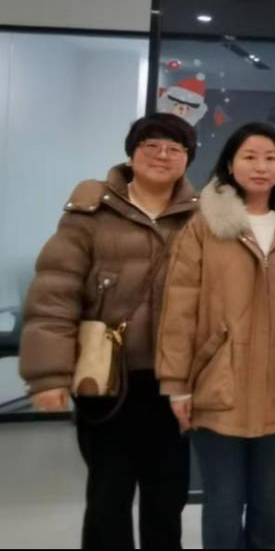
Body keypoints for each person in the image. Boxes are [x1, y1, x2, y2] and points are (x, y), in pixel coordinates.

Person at [19, 113, 199, 549]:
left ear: (187, 159)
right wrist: (49, 375)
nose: (162, 155)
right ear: (131, 155)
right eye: (151, 145)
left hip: (175, 381)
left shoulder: (201, 218)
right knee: (108, 494)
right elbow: (55, 292)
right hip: (106, 378)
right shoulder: (91, 212)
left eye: (174, 148)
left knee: (167, 495)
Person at [157, 123, 275, 549]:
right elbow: (179, 309)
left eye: (271, 158)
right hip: (217, 386)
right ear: (230, 164)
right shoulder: (204, 226)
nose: (260, 167)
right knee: (223, 502)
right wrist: (177, 385)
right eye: (249, 157)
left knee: (270, 503)